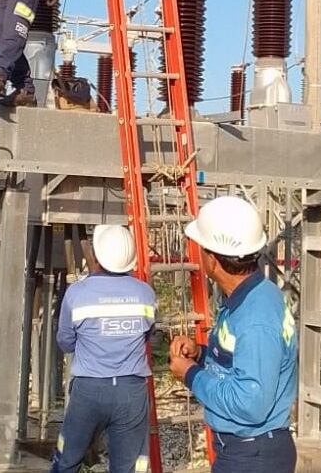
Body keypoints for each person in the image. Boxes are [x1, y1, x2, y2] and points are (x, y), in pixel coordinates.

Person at [167, 197, 297, 473]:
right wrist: (200, 354)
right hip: (246, 450)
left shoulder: (255, 317)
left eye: (201, 249)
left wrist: (190, 374)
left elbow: (250, 404)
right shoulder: (252, 296)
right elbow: (242, 359)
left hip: (252, 454)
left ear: (213, 260)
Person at [51, 225, 156, 473]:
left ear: (96, 256)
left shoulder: (77, 294)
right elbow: (148, 335)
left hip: (89, 391)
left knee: (66, 461)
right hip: (131, 392)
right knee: (129, 467)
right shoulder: (145, 293)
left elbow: (65, 342)